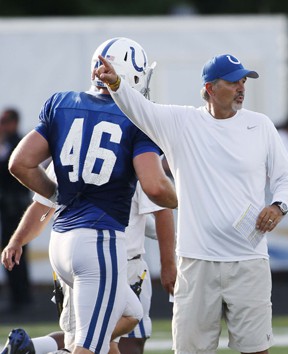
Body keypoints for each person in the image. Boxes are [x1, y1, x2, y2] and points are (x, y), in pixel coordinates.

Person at [94, 52, 288, 354]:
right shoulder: (182, 122)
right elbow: (140, 109)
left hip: (249, 259)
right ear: (210, 88)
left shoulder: (261, 125)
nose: (242, 87)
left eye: (243, 81)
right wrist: (116, 84)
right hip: (195, 261)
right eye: (233, 82)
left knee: (256, 350)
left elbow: (286, 177)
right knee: (190, 350)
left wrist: (278, 205)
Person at [6, 37, 177, 354]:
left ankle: (34, 349)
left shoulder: (61, 103)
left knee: (131, 314)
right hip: (99, 242)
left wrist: (59, 196)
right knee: (87, 347)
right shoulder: (137, 119)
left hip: (62, 241)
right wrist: (187, 197)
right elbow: (154, 186)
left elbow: (20, 163)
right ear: (133, 75)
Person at [1, 175, 176, 354]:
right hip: (112, 258)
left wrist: (17, 241)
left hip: (76, 252)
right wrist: (171, 258)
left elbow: (39, 197)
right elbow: (160, 206)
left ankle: (30, 348)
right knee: (106, 341)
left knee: (109, 333)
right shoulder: (132, 152)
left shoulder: (63, 149)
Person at [0, 108, 32, 314]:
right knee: (11, 250)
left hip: (17, 207)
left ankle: (22, 296)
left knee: (16, 250)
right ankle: (17, 295)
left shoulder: (17, 144)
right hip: (8, 207)